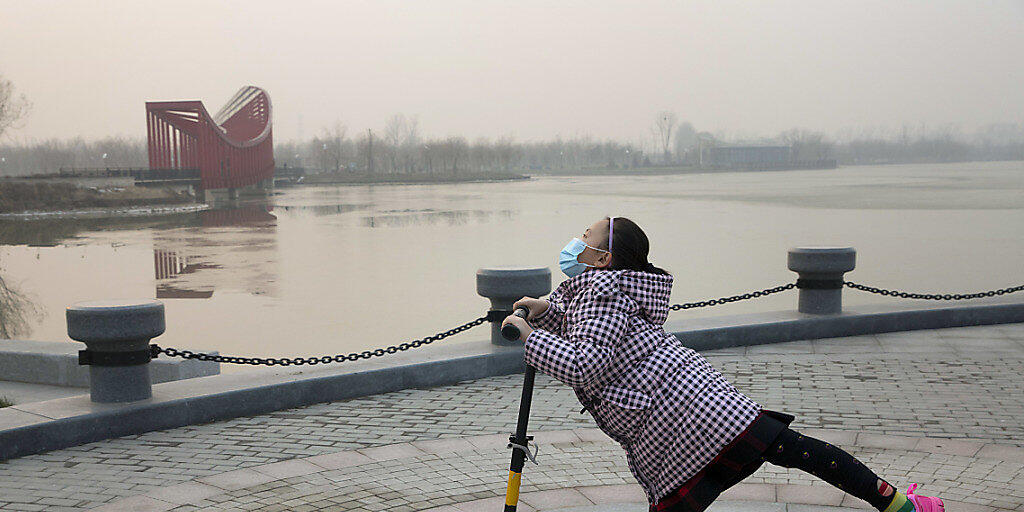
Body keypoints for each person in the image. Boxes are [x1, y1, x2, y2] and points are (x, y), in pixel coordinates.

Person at [501, 216, 945, 512]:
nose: (576, 241)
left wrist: (529, 337)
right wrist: (547, 311)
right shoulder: (602, 289)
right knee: (790, 449)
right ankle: (898, 505)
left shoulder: (601, 291)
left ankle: (900, 506)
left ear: (603, 259)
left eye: (586, 237)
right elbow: (593, 328)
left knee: (776, 454)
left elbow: (587, 361)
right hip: (687, 399)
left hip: (679, 410)